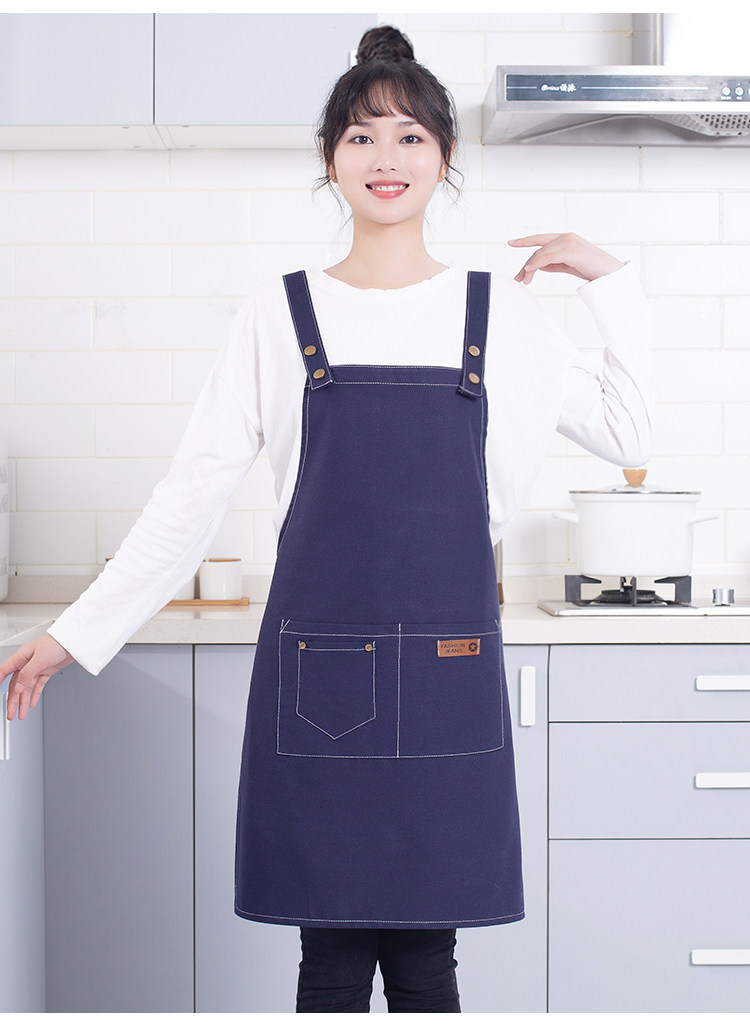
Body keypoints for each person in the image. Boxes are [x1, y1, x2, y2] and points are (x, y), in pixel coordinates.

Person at [1, 25, 652, 1015]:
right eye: (361, 135)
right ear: (329, 159)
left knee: (428, 962)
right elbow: (190, 496)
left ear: (445, 156)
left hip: (448, 677)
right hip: (321, 686)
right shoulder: (279, 313)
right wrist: (74, 631)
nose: (386, 157)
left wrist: (611, 281)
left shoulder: (504, 317)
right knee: (332, 963)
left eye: (409, 136)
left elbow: (629, 432)